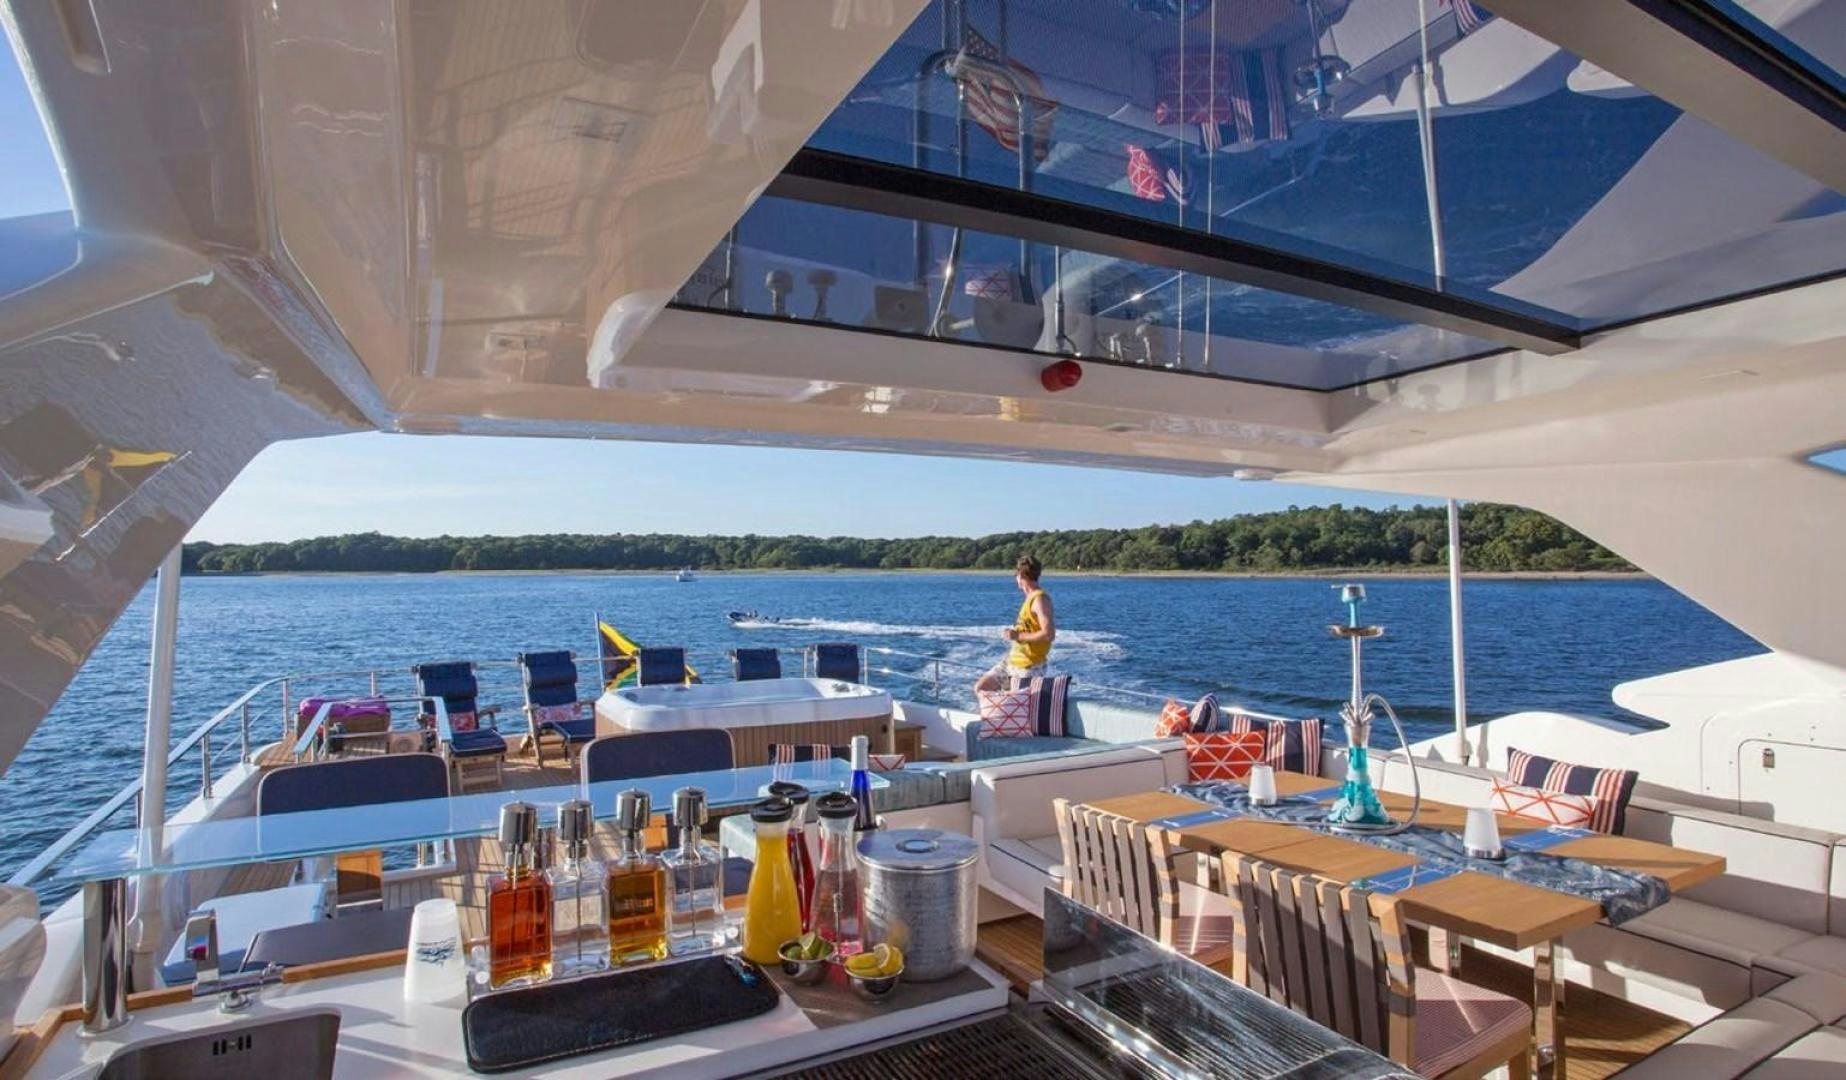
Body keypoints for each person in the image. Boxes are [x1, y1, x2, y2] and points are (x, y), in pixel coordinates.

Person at [976, 555, 1055, 694]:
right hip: (1012, 662)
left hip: (1029, 667)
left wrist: (1017, 635)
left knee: (1015, 705)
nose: (1015, 578)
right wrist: (1015, 634)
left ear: (1022, 575)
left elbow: (1048, 634)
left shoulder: (1040, 599)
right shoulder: (1029, 599)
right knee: (982, 688)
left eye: (1016, 574)